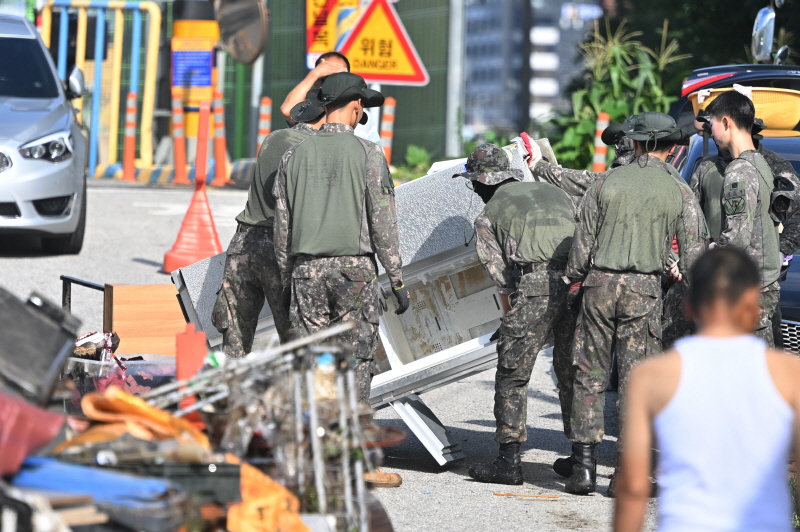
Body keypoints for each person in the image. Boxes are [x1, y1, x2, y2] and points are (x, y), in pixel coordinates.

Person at [561, 112, 707, 495]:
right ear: (672, 147)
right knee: (635, 382)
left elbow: (582, 244)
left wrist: (574, 281)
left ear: (637, 142)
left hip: (598, 285)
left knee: (588, 373)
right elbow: (694, 255)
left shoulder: (604, 182)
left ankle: (583, 469)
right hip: (644, 292)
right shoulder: (679, 190)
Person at [613, 247, 800, 532]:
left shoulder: (652, 376)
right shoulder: (788, 373)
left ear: (689, 306)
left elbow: (633, 486)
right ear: (753, 303)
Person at [274, 71, 409, 405]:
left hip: (306, 271)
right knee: (355, 362)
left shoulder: (293, 154)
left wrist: (286, 279)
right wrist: (396, 279)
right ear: (357, 105)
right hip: (355, 274)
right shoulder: (369, 153)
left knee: (311, 363)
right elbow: (383, 222)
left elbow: (282, 226)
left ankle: (315, 433)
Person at [451, 144, 577, 485]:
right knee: (574, 373)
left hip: (534, 287)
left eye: (473, 183)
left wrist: (509, 320)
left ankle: (508, 463)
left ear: (482, 181)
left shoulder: (488, 215)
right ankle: (583, 462)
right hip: (580, 285)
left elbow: (503, 279)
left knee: (512, 374)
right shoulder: (556, 193)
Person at [211, 99, 326, 356]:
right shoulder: (314, 149)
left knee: (234, 342)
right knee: (295, 341)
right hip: (281, 248)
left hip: (244, 243)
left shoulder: (275, 137)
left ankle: (231, 382)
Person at [704, 90, 782, 346]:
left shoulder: (739, 171)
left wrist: (708, 253)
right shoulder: (760, 163)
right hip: (763, 281)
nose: (711, 131)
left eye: (713, 123)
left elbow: (736, 239)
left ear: (726, 122)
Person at [280, 51, 349, 126]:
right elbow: (288, 111)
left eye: (340, 77)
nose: (333, 83)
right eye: (326, 78)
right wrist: (314, 74)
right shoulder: (314, 110)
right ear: (316, 82)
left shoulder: (356, 104)